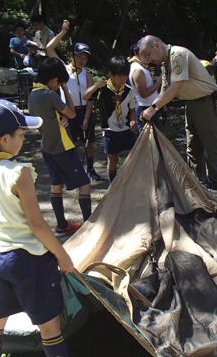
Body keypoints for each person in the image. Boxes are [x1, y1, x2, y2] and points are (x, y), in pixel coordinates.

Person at [0, 99, 108, 357]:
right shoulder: (19, 173)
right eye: (19, 133)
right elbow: (38, 225)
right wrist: (62, 255)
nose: (22, 138)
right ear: (5, 139)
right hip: (26, 259)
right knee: (48, 323)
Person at [139, 35, 217, 188]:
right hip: (191, 104)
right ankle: (199, 184)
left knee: (211, 147)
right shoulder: (166, 64)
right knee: (193, 147)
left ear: (156, 46)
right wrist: (151, 108)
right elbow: (164, 91)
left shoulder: (178, 55)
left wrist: (152, 109)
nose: (148, 59)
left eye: (148, 54)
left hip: (206, 103)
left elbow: (174, 88)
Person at [28, 57, 92, 235]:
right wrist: (65, 89)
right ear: (55, 80)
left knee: (56, 184)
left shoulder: (33, 94)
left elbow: (50, 115)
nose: (60, 86)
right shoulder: (49, 95)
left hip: (47, 147)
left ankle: (61, 224)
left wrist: (60, 116)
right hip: (62, 147)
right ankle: (89, 225)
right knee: (85, 183)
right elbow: (71, 113)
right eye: (60, 83)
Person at [46, 20, 101, 182]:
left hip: (84, 111)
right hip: (67, 111)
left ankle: (90, 169)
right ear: (71, 55)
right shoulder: (63, 69)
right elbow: (49, 49)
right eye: (79, 57)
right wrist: (63, 32)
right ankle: (73, 170)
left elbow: (90, 98)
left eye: (85, 58)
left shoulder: (88, 75)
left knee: (88, 143)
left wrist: (86, 117)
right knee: (70, 142)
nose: (82, 60)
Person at [82, 56, 137, 185]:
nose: (123, 79)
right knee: (112, 159)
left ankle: (132, 182)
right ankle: (113, 185)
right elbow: (85, 96)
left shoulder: (129, 90)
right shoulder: (103, 89)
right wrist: (96, 86)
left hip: (126, 130)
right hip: (110, 131)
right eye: (120, 76)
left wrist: (132, 121)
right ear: (111, 74)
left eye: (125, 76)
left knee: (133, 156)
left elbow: (133, 110)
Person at [128, 39, 163, 133]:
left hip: (151, 106)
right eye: (146, 54)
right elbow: (144, 93)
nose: (149, 58)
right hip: (144, 108)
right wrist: (158, 83)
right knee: (148, 142)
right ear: (140, 52)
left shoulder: (142, 66)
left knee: (156, 141)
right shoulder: (137, 70)